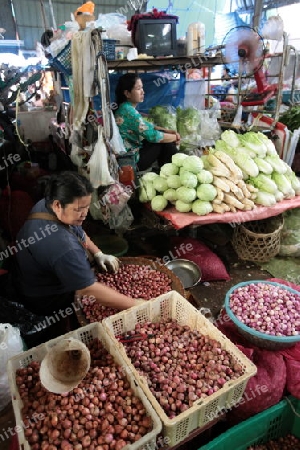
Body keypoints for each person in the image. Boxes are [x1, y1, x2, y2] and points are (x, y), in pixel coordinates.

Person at [14, 171, 140, 346]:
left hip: (28, 273)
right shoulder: (63, 247)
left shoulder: (46, 204)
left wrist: (98, 253)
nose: (85, 214)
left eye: (87, 206)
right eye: (79, 209)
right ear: (58, 205)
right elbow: (88, 290)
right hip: (44, 296)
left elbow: (77, 230)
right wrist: (135, 304)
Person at [114, 73, 180, 171]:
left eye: (142, 88)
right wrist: (175, 137)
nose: (143, 92)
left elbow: (146, 126)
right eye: (138, 89)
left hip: (133, 152)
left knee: (165, 137)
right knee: (163, 141)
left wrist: (166, 130)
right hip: (132, 161)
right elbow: (152, 136)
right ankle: (175, 169)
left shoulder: (125, 107)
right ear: (127, 93)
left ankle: (168, 170)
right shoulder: (128, 111)